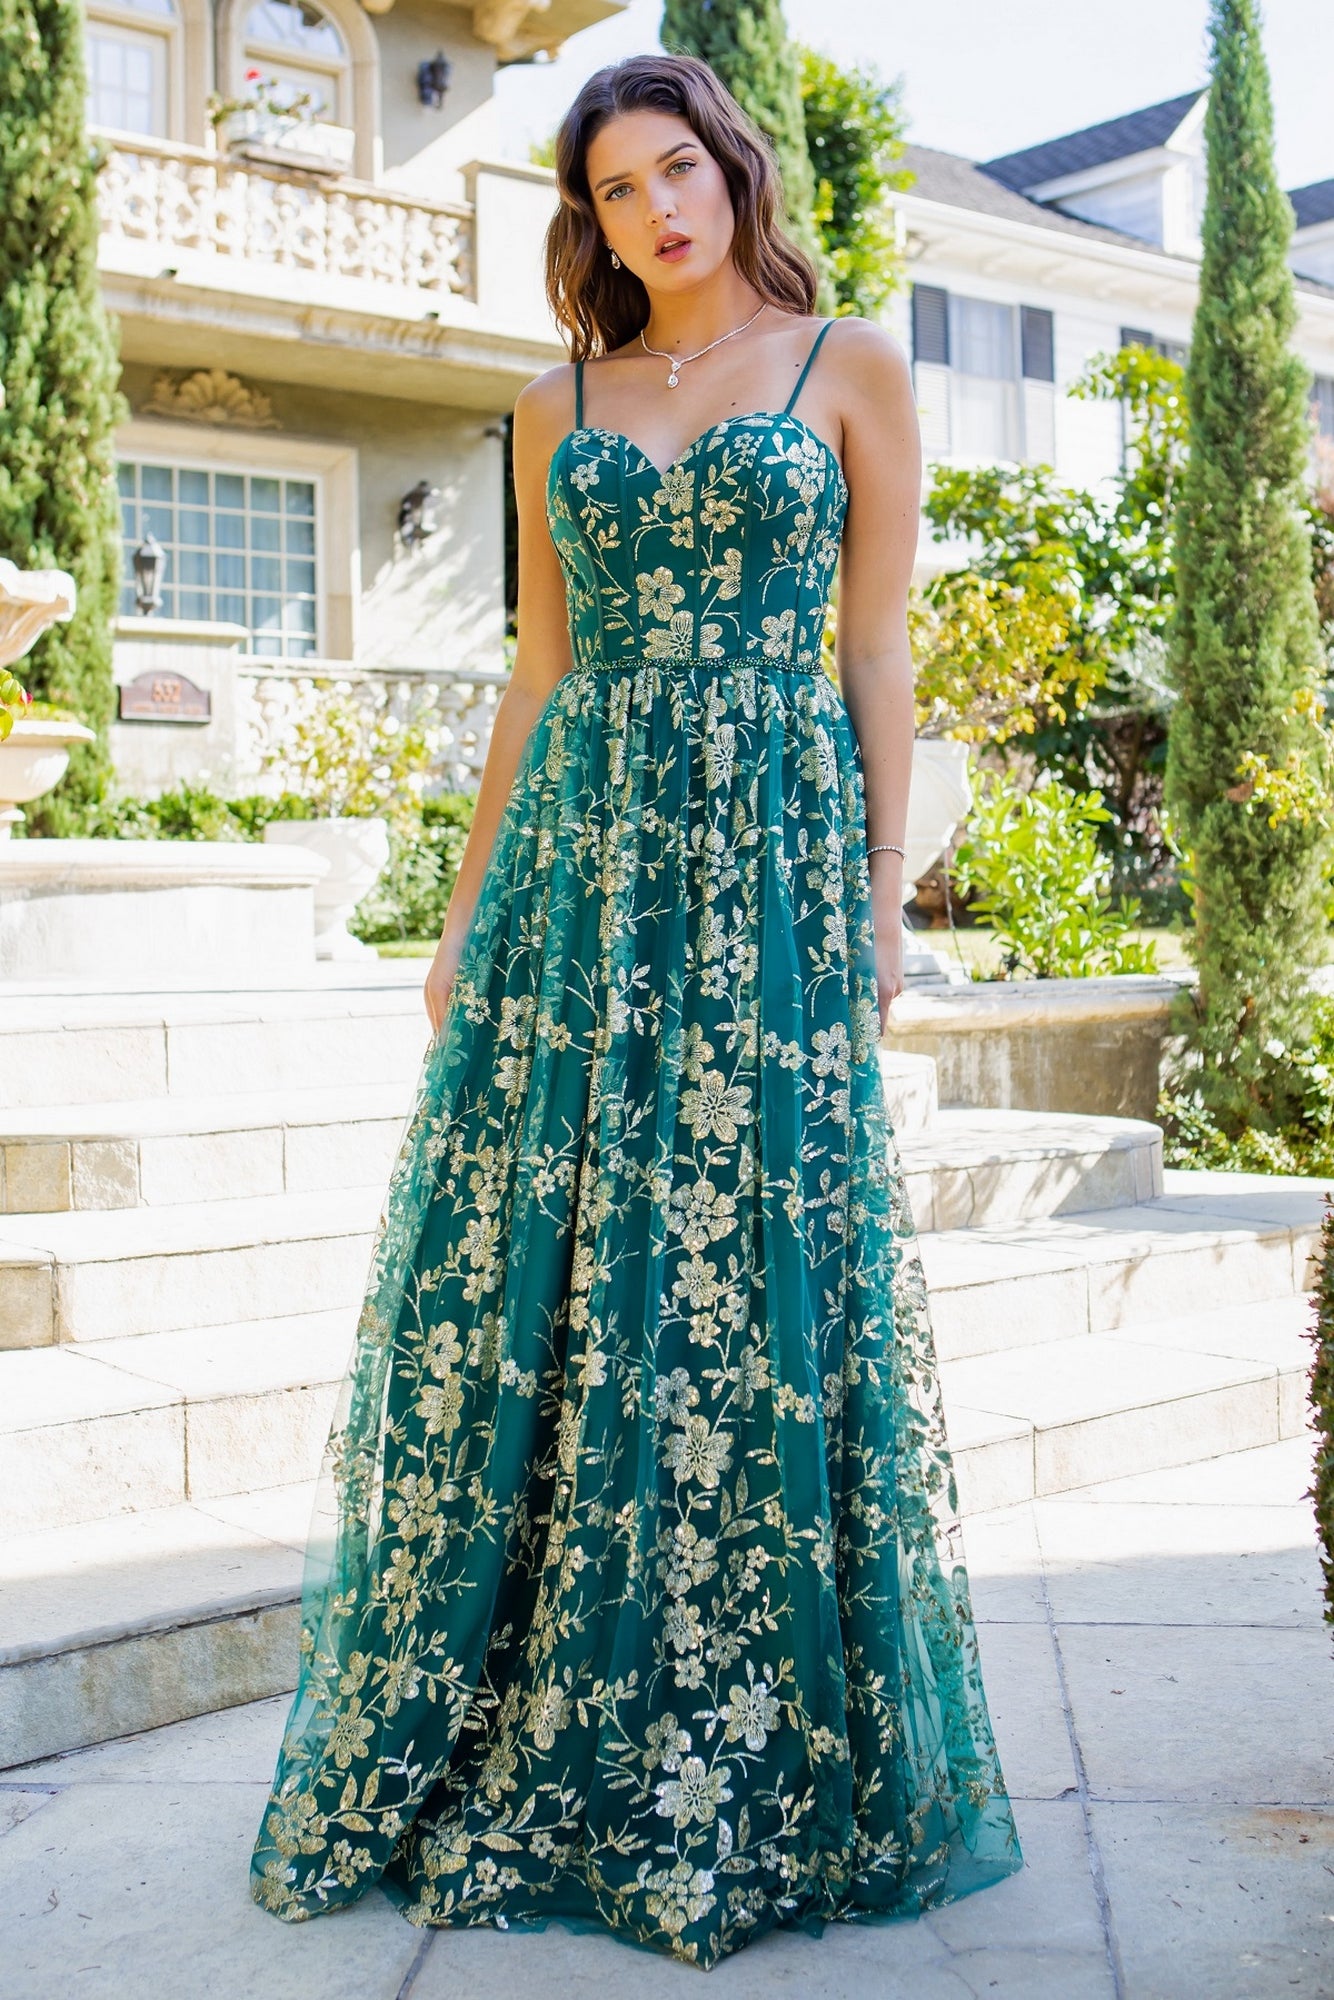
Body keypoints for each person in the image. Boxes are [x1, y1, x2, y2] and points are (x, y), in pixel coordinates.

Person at [249, 49, 1023, 1969]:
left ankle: (749, 1738)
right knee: (561, 1261)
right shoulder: (550, 407)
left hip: (761, 872)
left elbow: (872, 639)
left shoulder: (849, 364)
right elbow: (535, 674)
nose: (653, 212)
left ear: (728, 171)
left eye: (674, 170)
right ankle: (536, 1703)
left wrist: (871, 897)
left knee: (749, 1276)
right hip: (579, 875)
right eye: (612, 192)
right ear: (584, 223)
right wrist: (459, 914)